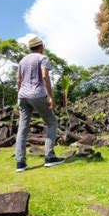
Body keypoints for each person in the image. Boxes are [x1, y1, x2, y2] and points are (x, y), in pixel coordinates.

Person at [15, 36, 65, 172]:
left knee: (22, 128)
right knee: (52, 122)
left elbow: (19, 80)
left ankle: (20, 163)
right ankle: (49, 157)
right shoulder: (42, 58)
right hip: (37, 94)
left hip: (22, 96)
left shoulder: (22, 61)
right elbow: (44, 76)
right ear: (41, 46)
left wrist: (19, 96)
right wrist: (50, 96)